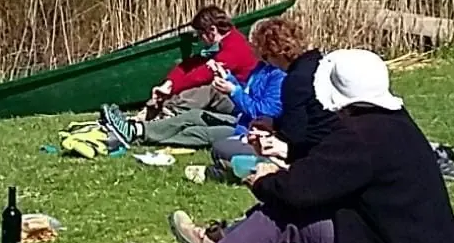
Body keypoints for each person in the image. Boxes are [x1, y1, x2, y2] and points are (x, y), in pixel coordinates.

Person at [121, 49, 454, 243]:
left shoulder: (361, 135)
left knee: (283, 220)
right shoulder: (391, 122)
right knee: (289, 208)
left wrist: (263, 178)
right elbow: (329, 175)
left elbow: (299, 193)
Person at [106, 17, 327, 159]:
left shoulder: (282, 77)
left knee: (200, 131)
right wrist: (228, 78)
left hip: (248, 124)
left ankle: (141, 130)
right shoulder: (264, 68)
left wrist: (233, 91)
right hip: (244, 120)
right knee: (195, 115)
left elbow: (264, 110)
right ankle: (137, 129)